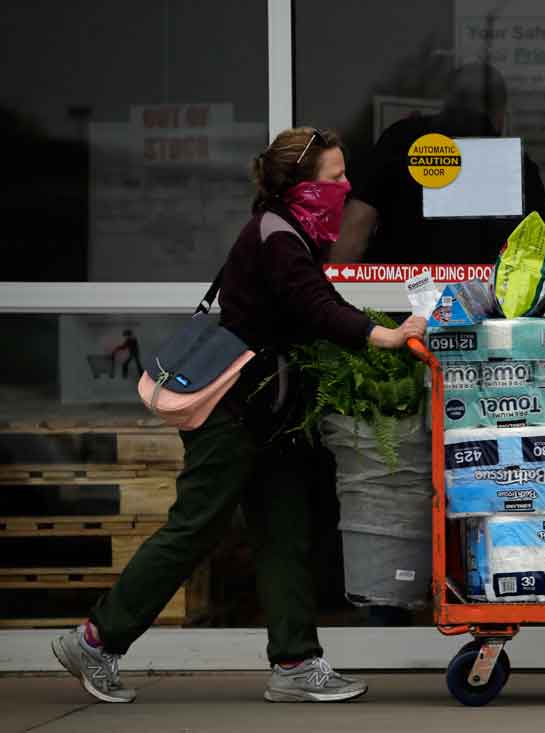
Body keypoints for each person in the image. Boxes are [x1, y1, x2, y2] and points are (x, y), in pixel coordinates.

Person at [51, 127, 427, 704]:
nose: (346, 186)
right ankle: (96, 641)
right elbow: (314, 307)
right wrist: (386, 335)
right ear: (301, 184)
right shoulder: (276, 236)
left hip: (267, 414)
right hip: (232, 413)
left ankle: (296, 663)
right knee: (194, 528)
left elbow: (306, 307)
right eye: (334, 177)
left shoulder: (293, 232)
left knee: (283, 532)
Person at [331, 62, 545, 265]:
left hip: (399, 299)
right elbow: (543, 249)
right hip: (485, 304)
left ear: (446, 100)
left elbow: (356, 225)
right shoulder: (513, 163)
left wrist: (330, 300)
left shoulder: (401, 140)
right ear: (500, 114)